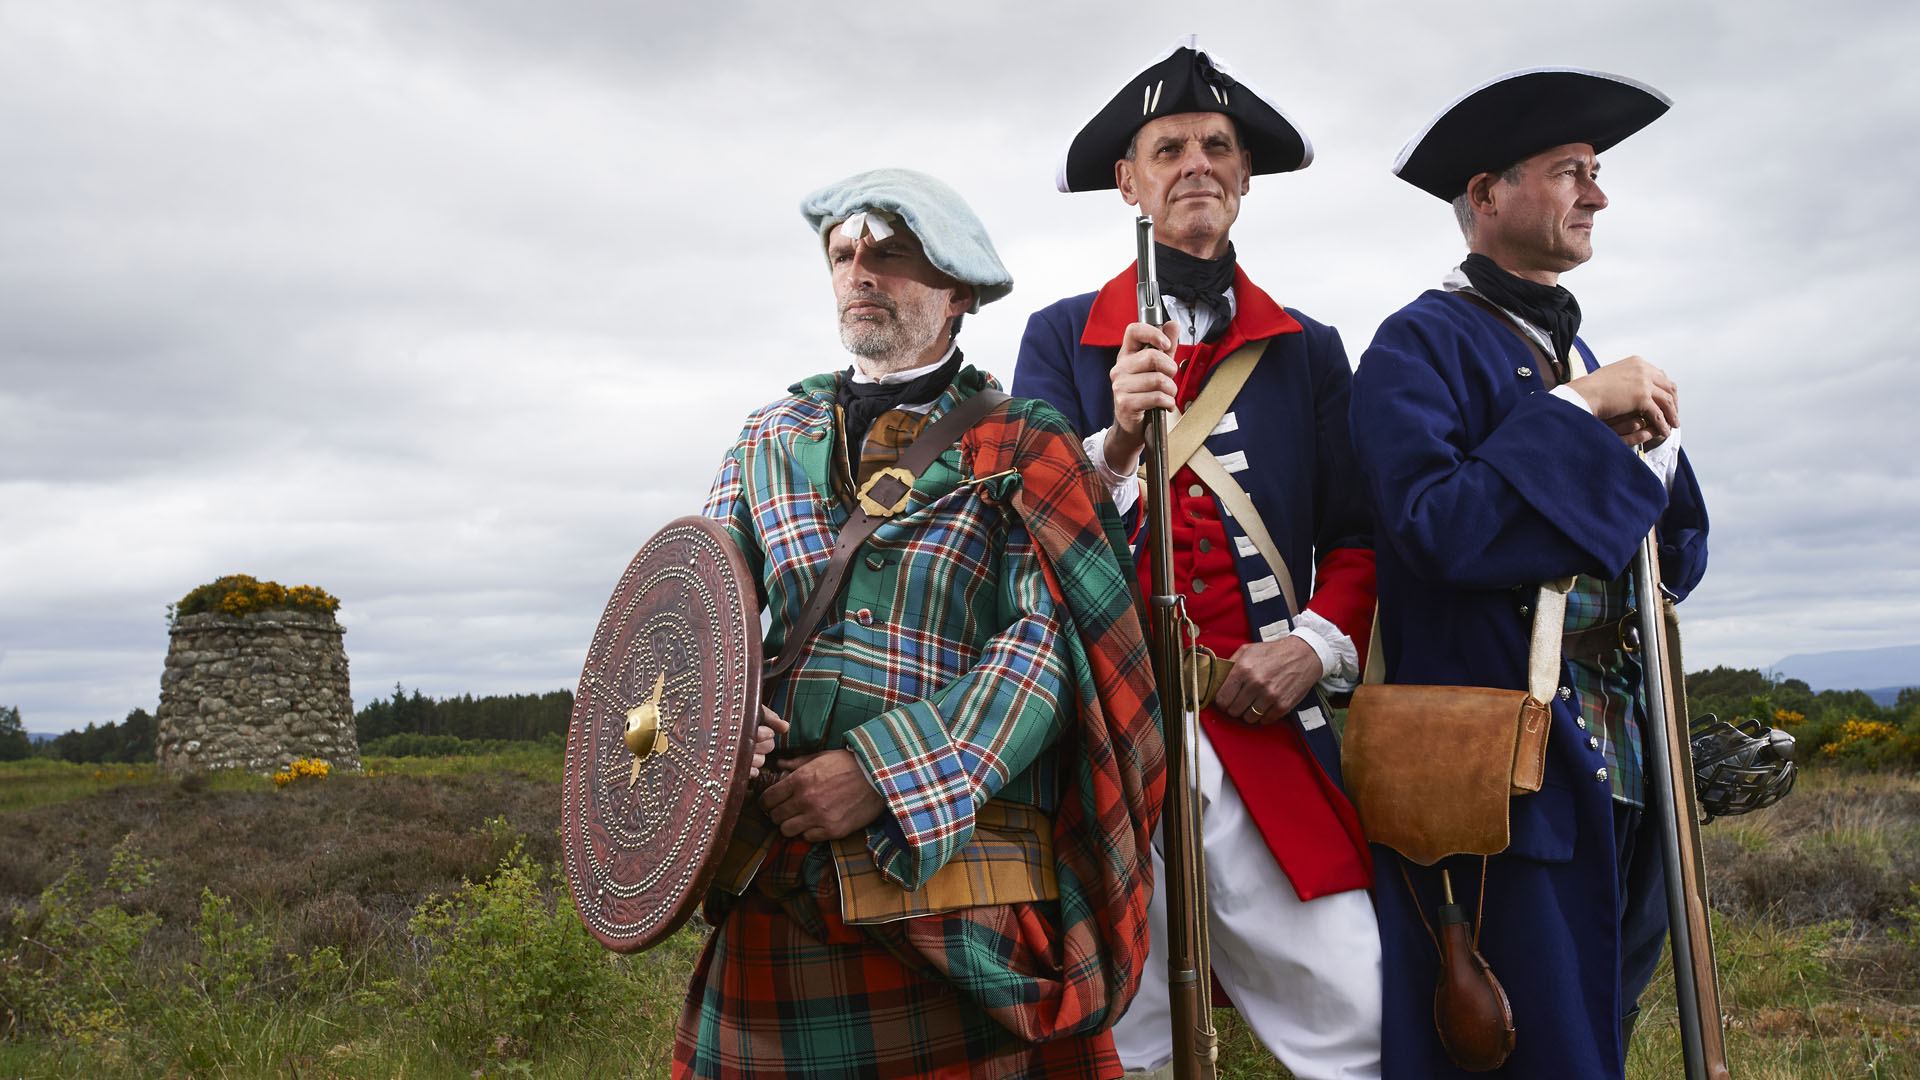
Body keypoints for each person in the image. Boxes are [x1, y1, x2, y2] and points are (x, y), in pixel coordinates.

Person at [677, 167, 1165, 1080]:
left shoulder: (1025, 438)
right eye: (845, 254)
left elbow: (1049, 648)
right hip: (776, 890)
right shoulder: (764, 439)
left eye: (892, 254)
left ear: (958, 293)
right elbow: (705, 620)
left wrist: (879, 772)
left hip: (958, 901)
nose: (862, 271)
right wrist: (719, 733)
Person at [1013, 36, 1382, 1080]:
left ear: (1245, 176)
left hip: (1260, 726)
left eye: (1217, 145)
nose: (1196, 164)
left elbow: (1357, 539)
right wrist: (1118, 442)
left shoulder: (1308, 349)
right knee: (1114, 1039)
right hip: (1102, 739)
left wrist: (1313, 646)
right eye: (1167, 147)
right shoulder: (1059, 339)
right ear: (1128, 181)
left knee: (1365, 1010)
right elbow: (1021, 530)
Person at [1350, 69, 1710, 1079]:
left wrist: (1654, 457)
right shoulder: (1415, 345)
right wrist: (1576, 413)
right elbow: (1438, 532)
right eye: (1571, 172)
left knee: (1607, 1010)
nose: (1597, 194)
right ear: (1488, 194)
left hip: (1625, 745)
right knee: (1529, 1040)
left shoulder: (1580, 349)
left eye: (1596, 173)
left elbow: (1677, 557)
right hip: (1505, 768)